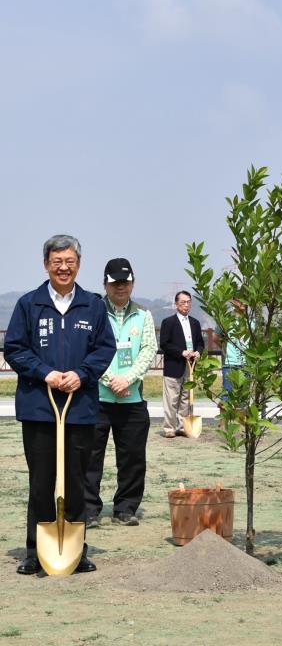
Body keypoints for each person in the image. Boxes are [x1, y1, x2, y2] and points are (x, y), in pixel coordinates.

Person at [5, 234, 116, 575]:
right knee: (41, 480)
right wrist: (46, 373)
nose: (63, 268)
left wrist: (82, 374)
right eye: (57, 262)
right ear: (46, 265)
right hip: (39, 407)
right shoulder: (29, 304)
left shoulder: (93, 306)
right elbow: (15, 348)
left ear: (78, 265)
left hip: (80, 407)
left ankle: (76, 551)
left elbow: (104, 349)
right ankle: (34, 551)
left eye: (70, 262)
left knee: (77, 479)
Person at [85, 258, 157, 527]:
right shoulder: (94, 312)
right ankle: (89, 509)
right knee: (90, 457)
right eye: (115, 283)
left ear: (133, 283)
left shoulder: (144, 315)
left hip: (131, 398)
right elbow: (88, 350)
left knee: (133, 458)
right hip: (97, 398)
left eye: (125, 282)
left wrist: (127, 379)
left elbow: (148, 350)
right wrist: (108, 379)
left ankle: (125, 508)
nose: (120, 287)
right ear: (105, 284)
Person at [159, 290, 204, 438]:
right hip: (174, 365)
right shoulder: (168, 322)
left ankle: (182, 426)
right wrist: (181, 352)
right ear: (176, 304)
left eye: (188, 302)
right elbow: (164, 344)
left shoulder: (195, 323)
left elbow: (200, 343)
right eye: (183, 302)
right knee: (172, 399)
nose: (186, 305)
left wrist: (198, 352)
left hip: (190, 365)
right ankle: (169, 428)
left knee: (185, 397)